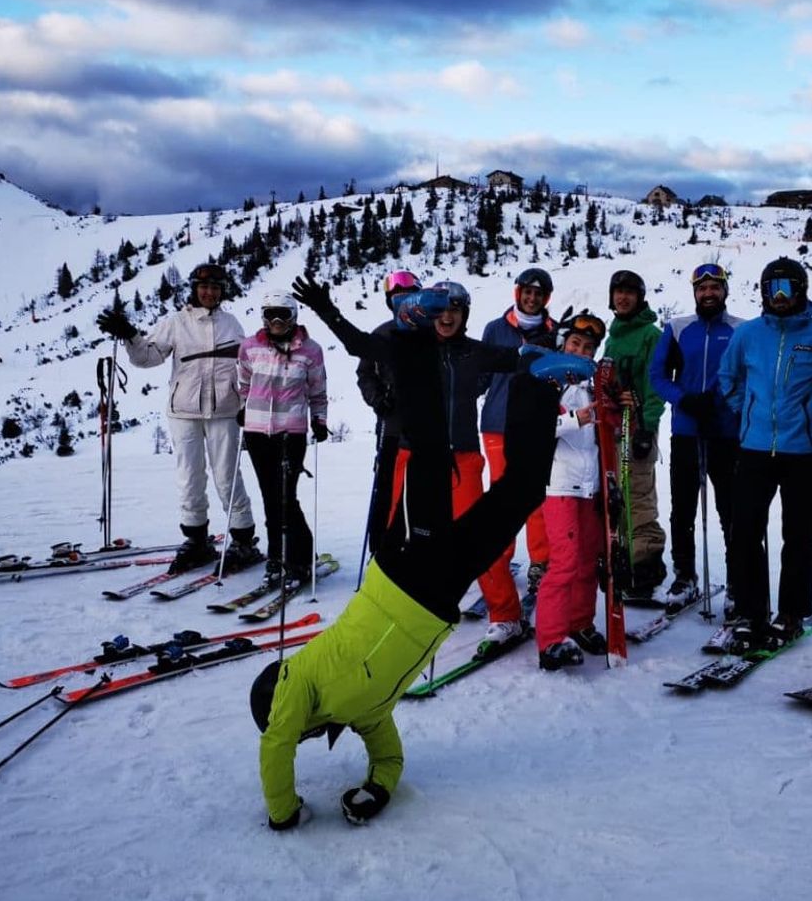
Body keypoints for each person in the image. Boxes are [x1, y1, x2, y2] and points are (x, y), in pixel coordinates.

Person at [250, 273, 590, 829]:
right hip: (439, 595)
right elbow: (389, 760)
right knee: (520, 493)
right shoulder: (367, 712)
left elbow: (274, 746)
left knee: (429, 454)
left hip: (400, 575)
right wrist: (376, 791)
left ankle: (412, 329)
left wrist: (283, 814)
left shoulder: (295, 685)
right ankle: (541, 387)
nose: (297, 735)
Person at [717, 257, 812, 649]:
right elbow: (727, 376)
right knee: (745, 532)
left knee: (799, 535)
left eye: (786, 287)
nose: (778, 296)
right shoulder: (748, 334)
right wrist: (745, 412)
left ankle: (791, 613)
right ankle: (750, 612)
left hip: (804, 452)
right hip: (754, 448)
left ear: (801, 290)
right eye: (771, 288)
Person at [386, 280, 530, 658]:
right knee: (402, 537)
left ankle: (507, 616)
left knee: (477, 537)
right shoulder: (413, 347)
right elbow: (368, 350)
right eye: (439, 310)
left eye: (454, 310)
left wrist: (552, 353)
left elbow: (520, 359)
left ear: (464, 315)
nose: (446, 317)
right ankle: (398, 606)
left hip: (461, 458)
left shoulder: (474, 352)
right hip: (414, 455)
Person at [95, 263, 259, 572]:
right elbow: (147, 358)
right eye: (204, 287)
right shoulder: (176, 323)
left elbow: (246, 367)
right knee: (189, 477)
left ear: (222, 291)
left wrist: (247, 403)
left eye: (215, 288)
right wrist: (130, 335)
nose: (209, 292)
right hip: (184, 411)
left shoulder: (232, 323)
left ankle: (243, 540)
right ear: (194, 289)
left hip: (225, 410)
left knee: (227, 477)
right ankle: (197, 541)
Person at [648, 261, 743, 608]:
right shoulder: (677, 328)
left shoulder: (740, 330)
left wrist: (720, 404)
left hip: (725, 432)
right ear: (695, 293)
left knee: (731, 508)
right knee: (683, 508)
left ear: (724, 291)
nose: (708, 293)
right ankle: (685, 576)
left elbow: (746, 377)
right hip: (687, 430)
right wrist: (684, 399)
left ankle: (737, 582)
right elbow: (657, 376)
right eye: (702, 288)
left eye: (714, 287)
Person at [535, 311, 612, 671]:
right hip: (560, 485)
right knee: (564, 563)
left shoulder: (596, 386)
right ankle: (551, 639)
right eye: (575, 344)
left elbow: (609, 432)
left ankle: (580, 623)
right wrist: (572, 420)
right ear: (563, 344)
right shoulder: (548, 382)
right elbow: (533, 429)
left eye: (588, 348)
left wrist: (623, 407)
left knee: (587, 561)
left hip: (590, 486)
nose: (580, 352)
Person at [236, 292, 329, 590]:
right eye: (271, 314)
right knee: (270, 497)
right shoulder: (250, 347)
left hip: (291, 432)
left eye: (283, 314)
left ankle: (300, 557)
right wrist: (244, 407)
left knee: (286, 497)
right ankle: (276, 556)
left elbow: (318, 391)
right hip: (257, 432)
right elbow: (244, 383)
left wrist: (319, 420)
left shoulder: (310, 350)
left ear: (294, 316)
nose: (277, 321)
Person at [480, 267, 559, 598]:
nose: (532, 298)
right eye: (527, 292)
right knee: (502, 496)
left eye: (538, 294)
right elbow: (481, 375)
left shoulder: (554, 332)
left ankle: (541, 561)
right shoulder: (495, 329)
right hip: (498, 424)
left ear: (546, 299)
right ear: (518, 293)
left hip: (537, 426)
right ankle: (498, 558)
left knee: (536, 496)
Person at [603, 269, 668, 596]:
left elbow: (656, 384)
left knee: (638, 495)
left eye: (630, 292)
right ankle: (625, 557)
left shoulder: (650, 335)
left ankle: (646, 565)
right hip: (615, 427)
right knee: (618, 497)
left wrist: (648, 426)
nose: (623, 297)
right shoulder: (613, 337)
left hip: (638, 426)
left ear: (640, 298)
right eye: (618, 292)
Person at [355, 270, 421, 555]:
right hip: (391, 425)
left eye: (407, 297)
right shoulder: (382, 334)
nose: (402, 303)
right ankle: (380, 549)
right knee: (386, 487)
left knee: (422, 488)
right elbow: (365, 374)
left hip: (426, 426)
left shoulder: (430, 332)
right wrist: (378, 399)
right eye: (396, 298)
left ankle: (419, 547)